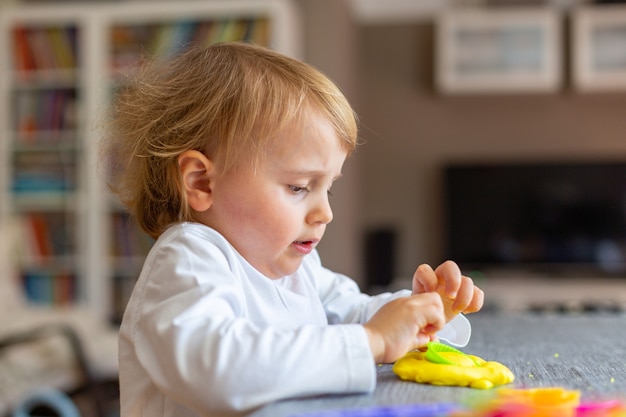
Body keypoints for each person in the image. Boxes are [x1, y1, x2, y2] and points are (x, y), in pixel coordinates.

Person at [102, 42, 484, 417]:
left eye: (327, 187)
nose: (325, 213)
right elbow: (217, 371)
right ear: (202, 182)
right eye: (299, 187)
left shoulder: (299, 267)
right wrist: (372, 342)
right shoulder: (187, 259)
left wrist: (419, 311)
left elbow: (354, 313)